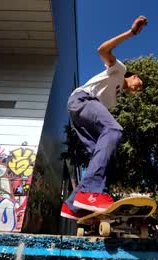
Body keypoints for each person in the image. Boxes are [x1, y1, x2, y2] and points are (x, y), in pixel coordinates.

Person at [60, 16, 147, 219]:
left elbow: (98, 117)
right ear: (133, 77)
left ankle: (72, 205)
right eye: (139, 84)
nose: (138, 89)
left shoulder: (114, 101)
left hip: (81, 113)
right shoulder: (119, 70)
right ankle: (90, 193)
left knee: (102, 155)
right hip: (81, 100)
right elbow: (102, 50)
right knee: (115, 130)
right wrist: (131, 33)